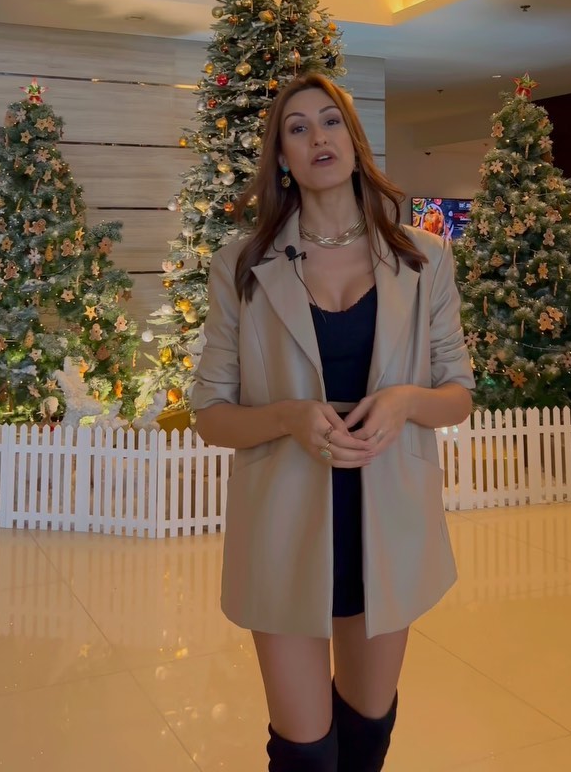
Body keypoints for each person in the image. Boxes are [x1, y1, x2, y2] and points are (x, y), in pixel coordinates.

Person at [191, 73, 474, 771]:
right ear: (282, 157)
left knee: (368, 729)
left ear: (354, 140)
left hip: (390, 522)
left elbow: (458, 394)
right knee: (305, 751)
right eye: (297, 128)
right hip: (283, 526)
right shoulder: (242, 266)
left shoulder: (424, 259)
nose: (317, 136)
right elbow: (211, 415)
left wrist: (406, 402)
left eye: (330, 121)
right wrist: (288, 418)